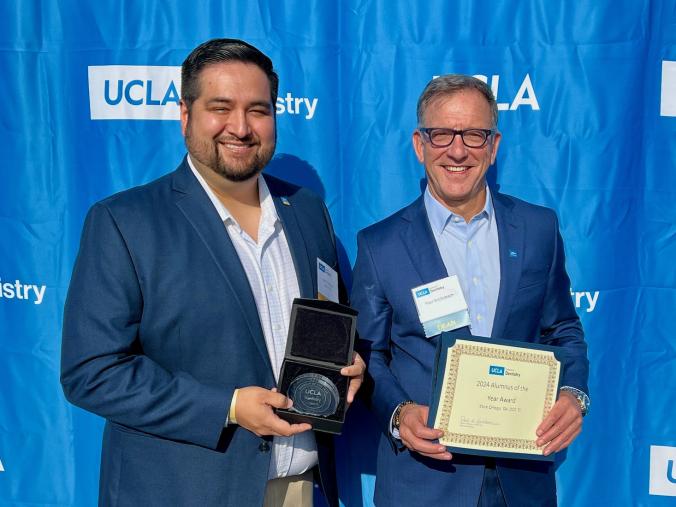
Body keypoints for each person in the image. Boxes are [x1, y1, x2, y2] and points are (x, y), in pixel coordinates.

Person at [61, 38, 364, 507]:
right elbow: (92, 371)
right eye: (220, 107)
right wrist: (227, 407)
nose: (240, 127)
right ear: (185, 114)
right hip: (184, 491)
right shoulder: (126, 221)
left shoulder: (307, 212)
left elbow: (330, 323)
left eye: (258, 110)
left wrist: (349, 366)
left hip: (301, 492)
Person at [351, 74, 590, 506]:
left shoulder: (538, 229)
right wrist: (399, 414)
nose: (457, 150)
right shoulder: (380, 245)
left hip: (522, 481)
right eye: (441, 134)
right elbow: (368, 355)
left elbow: (565, 331)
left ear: (494, 146)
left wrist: (574, 394)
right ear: (420, 145)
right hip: (424, 481)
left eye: (474, 135)